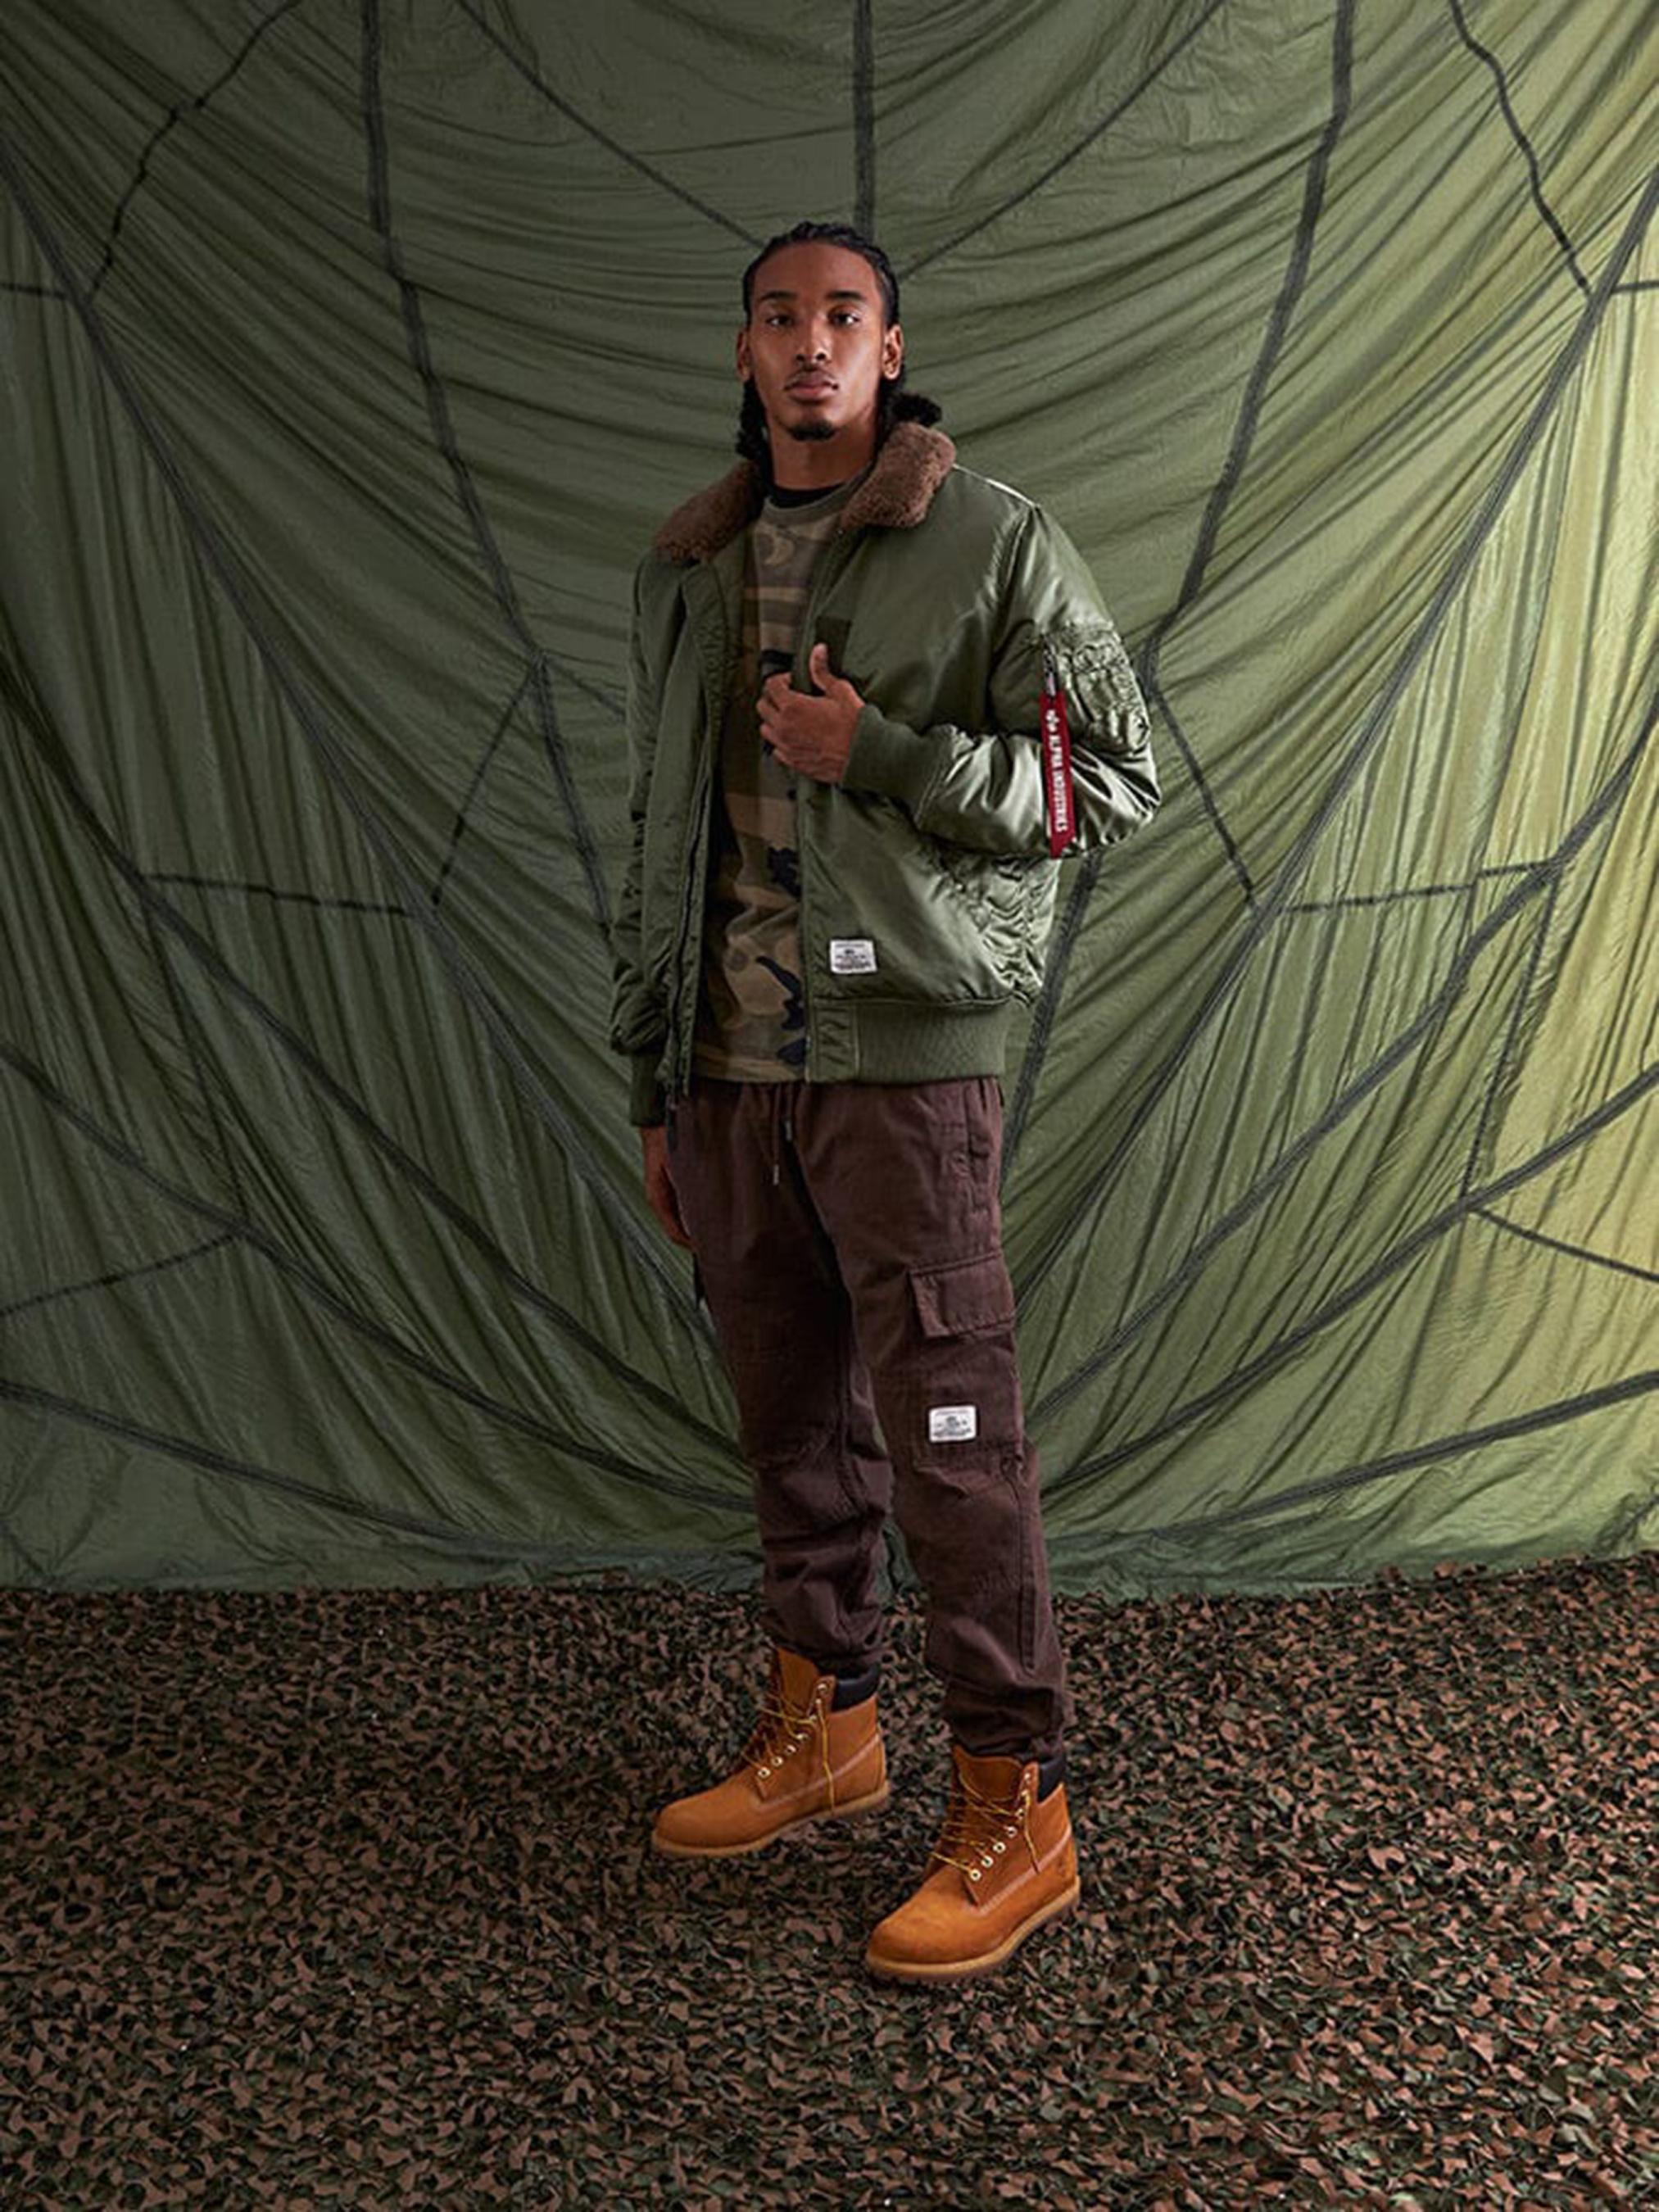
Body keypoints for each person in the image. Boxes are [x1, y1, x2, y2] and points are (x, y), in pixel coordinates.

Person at [608, 218, 1158, 1984]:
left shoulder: (990, 541)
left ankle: (1017, 1805)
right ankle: (825, 1729)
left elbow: (1106, 782)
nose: (809, 342)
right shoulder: (686, 567)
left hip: (900, 1070)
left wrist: (890, 756)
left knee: (950, 1441)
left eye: (842, 314)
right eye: (778, 315)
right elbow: (656, 836)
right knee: (789, 1421)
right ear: (743, 349)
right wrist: (653, 1072)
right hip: (724, 1071)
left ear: (889, 347)